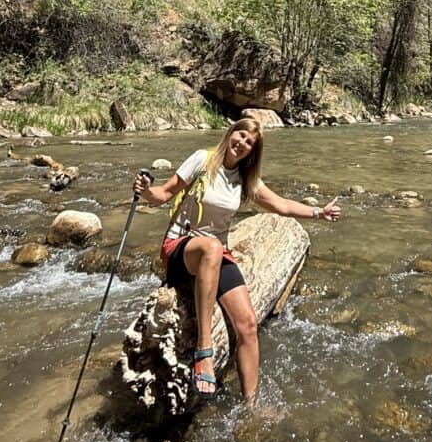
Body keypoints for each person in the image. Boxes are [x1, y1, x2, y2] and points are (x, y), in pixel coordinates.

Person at [132, 118, 339, 400]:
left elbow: (281, 205)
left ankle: (251, 404)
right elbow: (163, 194)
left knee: (248, 325)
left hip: (216, 253)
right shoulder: (201, 160)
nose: (242, 143)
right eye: (241, 135)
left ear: (252, 152)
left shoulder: (244, 181)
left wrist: (318, 213)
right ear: (231, 133)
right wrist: (145, 191)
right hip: (181, 247)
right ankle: (204, 350)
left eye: (249, 143)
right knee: (212, 248)